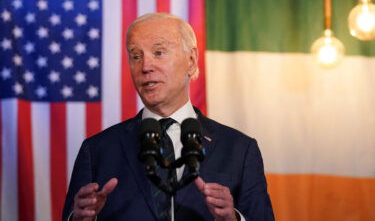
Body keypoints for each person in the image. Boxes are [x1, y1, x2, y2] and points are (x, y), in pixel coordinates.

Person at [62, 12, 274, 221]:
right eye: (136, 56)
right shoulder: (97, 150)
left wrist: (233, 219)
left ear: (191, 60)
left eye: (159, 52)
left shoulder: (240, 149)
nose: (145, 67)